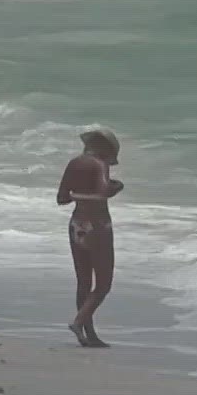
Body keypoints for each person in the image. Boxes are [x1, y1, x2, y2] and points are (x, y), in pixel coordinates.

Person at [57, 127, 124, 348]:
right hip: (97, 226)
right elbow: (104, 190)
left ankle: (89, 334)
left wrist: (80, 195)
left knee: (84, 282)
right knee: (103, 284)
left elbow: (62, 198)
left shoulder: (74, 163)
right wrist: (116, 188)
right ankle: (79, 323)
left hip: (76, 224)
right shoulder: (99, 164)